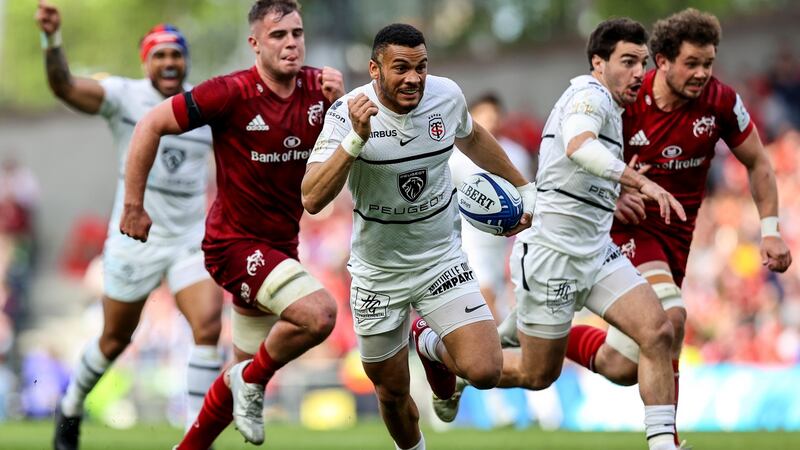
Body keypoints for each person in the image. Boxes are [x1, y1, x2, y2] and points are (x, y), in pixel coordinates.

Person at [436, 18, 688, 450]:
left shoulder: (612, 105)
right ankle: (456, 366)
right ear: (598, 63)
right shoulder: (588, 97)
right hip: (551, 255)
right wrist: (638, 182)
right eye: (627, 61)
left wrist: (613, 197)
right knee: (538, 375)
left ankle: (663, 445)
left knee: (659, 331)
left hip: (595, 251)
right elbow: (578, 145)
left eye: (641, 63)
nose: (638, 73)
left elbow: (575, 173)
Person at [301, 23, 537, 450]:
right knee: (391, 392)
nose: (414, 78)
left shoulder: (446, 96)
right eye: (401, 68)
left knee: (484, 370)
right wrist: (355, 140)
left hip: (439, 259)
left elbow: (473, 137)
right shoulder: (346, 114)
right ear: (374, 69)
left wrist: (523, 187)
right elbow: (312, 197)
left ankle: (427, 341)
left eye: (422, 67)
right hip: (378, 274)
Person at [119, 1, 344, 447]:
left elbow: (353, 157)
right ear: (255, 43)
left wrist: (341, 107)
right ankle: (252, 380)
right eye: (278, 36)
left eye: (297, 33)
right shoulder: (230, 92)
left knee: (240, 369)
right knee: (320, 316)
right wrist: (132, 206)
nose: (291, 44)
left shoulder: (324, 90)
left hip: (282, 247)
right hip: (233, 246)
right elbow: (150, 124)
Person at [563, 8, 792, 447]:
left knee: (622, 364)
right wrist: (613, 195)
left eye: (709, 63)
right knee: (671, 314)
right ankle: (667, 439)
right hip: (626, 231)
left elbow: (759, 162)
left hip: (676, 242)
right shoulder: (625, 102)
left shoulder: (721, 102)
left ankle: (541, 335)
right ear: (662, 61)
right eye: (692, 63)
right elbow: (573, 160)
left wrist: (770, 228)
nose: (703, 73)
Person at [35, 2, 225, 449]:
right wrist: (51, 40)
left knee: (209, 327)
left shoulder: (207, 104)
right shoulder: (123, 95)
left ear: (186, 61)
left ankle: (195, 438)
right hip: (133, 236)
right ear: (146, 63)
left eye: (175, 54)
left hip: (188, 241)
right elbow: (63, 87)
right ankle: (71, 405)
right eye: (159, 55)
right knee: (114, 338)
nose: (169, 62)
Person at [448, 93, 535, 321]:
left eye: (495, 116)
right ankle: (497, 350)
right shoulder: (454, 158)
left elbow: (526, 194)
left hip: (506, 241)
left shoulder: (515, 153)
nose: (491, 121)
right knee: (484, 300)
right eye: (484, 116)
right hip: (471, 242)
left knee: (507, 304)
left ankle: (505, 350)